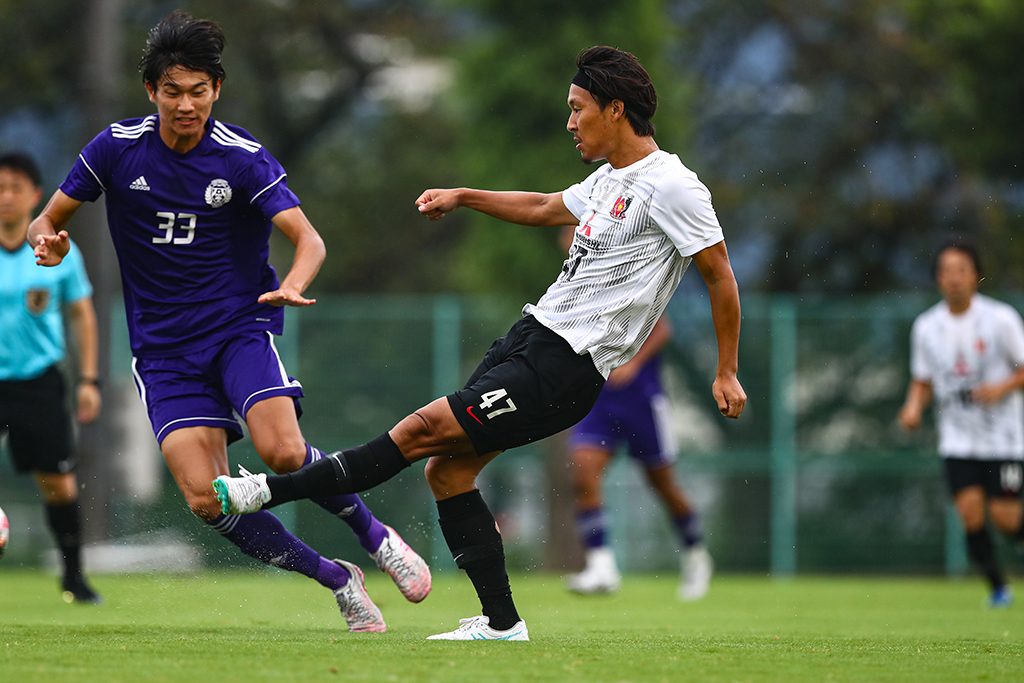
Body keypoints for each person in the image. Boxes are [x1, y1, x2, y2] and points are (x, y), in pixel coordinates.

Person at [214, 45, 746, 641]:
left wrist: (725, 371)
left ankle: (261, 490)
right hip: (530, 339)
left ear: (615, 109)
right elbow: (546, 205)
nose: (570, 122)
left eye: (578, 110)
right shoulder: (608, 179)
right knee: (445, 473)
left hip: (564, 368)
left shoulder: (674, 186)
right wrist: (465, 196)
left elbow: (720, 272)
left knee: (416, 433)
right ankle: (502, 624)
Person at [28, 12, 430, 632]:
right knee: (205, 499)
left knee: (285, 451)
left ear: (216, 89)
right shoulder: (114, 148)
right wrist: (46, 241)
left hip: (237, 329)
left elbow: (309, 239)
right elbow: (45, 220)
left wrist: (293, 283)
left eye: (198, 91)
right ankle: (336, 579)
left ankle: (374, 537)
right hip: (161, 351)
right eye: (172, 91)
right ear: (151, 92)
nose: (185, 104)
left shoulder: (241, 159)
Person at [898, 241, 1024, 608]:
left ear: (976, 275)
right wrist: (912, 408)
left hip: (1004, 438)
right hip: (957, 438)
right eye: (946, 271)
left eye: (961, 270)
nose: (954, 279)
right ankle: (999, 589)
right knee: (969, 512)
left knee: (1005, 519)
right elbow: (922, 380)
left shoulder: (1000, 320)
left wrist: (1001, 387)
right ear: (938, 278)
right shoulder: (926, 326)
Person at [0, 152, 102, 604]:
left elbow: (82, 313)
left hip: (38, 380)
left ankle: (73, 577)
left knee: (57, 482)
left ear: (35, 195)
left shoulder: (58, 250)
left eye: (15, 188)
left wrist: (89, 379)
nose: (5, 197)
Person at [562, 308, 714, 601]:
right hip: (598, 399)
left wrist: (633, 363)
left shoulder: (632, 276)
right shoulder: (579, 284)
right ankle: (601, 567)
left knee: (663, 484)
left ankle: (696, 554)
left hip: (642, 400)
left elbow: (662, 328)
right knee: (583, 475)